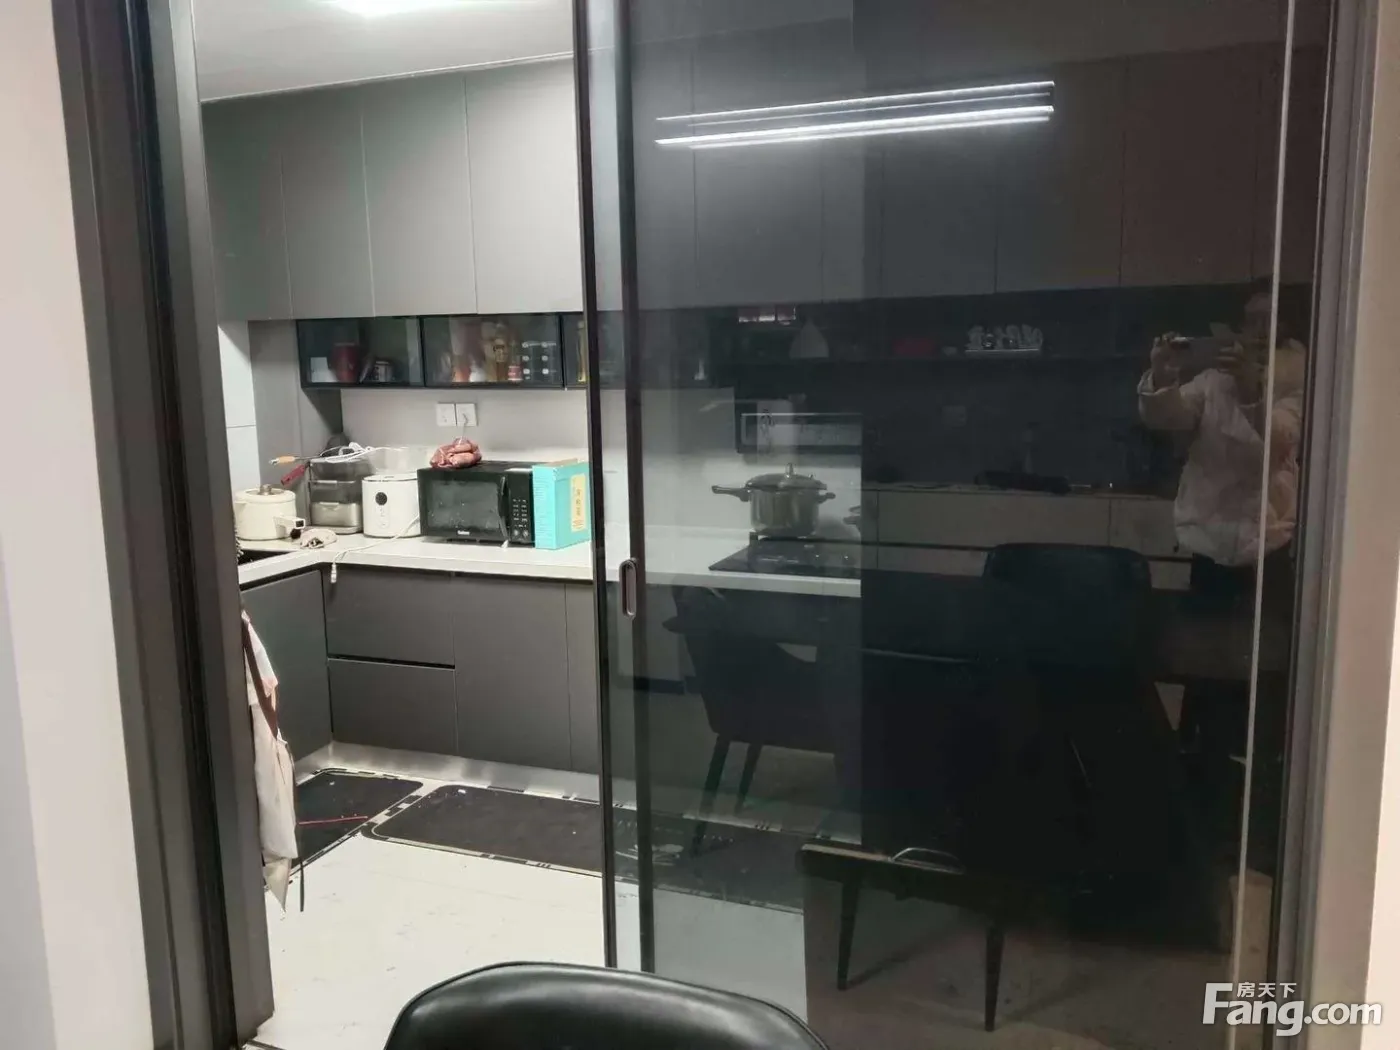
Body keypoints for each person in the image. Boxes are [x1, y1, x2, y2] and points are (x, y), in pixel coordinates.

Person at [1137, 291, 1305, 610]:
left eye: (1269, 319)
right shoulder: (1212, 381)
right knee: (1205, 638)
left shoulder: (1296, 380)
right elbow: (1169, 418)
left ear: (1285, 326)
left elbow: (1280, 441)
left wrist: (1250, 390)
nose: (1260, 329)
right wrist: (1162, 375)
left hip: (1268, 542)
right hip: (1208, 541)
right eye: (1252, 320)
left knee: (1266, 637)